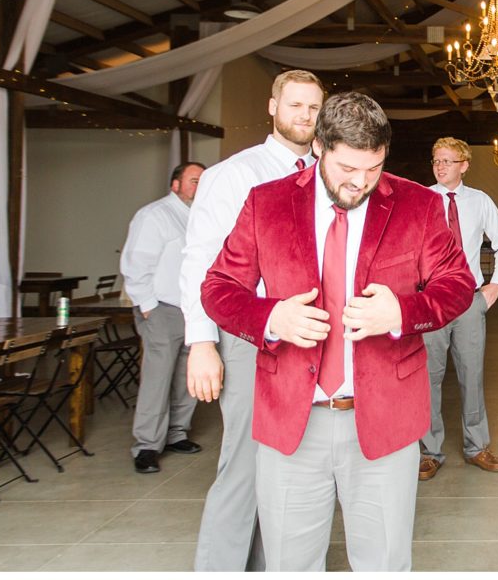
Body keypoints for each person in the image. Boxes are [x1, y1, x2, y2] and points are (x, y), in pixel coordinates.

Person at [200, 91, 476, 571]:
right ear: (321, 147)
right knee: (290, 564)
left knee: (384, 565)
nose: (361, 181)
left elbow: (458, 286)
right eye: (349, 167)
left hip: (386, 422)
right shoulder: (267, 204)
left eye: (374, 168)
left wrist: (404, 313)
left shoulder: (418, 205)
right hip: (291, 420)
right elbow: (218, 288)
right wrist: (270, 318)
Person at [180, 70, 323, 571]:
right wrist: (201, 343)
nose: (305, 116)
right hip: (249, 335)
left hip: (311, 337)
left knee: (293, 465)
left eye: (312, 107)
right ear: (272, 107)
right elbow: (200, 262)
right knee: (243, 465)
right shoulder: (235, 175)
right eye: (295, 105)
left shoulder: (329, 172)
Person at [419, 137, 498, 480]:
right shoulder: (422, 199)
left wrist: (496, 285)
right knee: (428, 377)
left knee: (472, 374)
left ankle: (477, 447)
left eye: (447, 160)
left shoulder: (480, 201)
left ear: (464, 165)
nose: (440, 166)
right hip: (430, 298)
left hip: (468, 299)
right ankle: (429, 452)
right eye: (436, 160)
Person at [121, 162, 205, 474]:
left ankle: (176, 433)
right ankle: (146, 445)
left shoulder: (201, 216)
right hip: (161, 309)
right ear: (175, 185)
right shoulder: (154, 215)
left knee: (187, 377)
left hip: (192, 310)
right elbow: (136, 262)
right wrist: (147, 305)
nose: (199, 186)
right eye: (194, 180)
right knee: (157, 378)